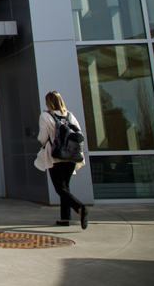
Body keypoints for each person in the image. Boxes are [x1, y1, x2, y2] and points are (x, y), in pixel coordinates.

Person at [34, 91, 87, 229]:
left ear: (48, 102)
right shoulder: (70, 116)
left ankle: (80, 207)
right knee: (66, 187)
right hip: (71, 157)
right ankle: (64, 218)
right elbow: (79, 135)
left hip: (56, 156)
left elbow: (42, 138)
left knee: (60, 188)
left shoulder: (46, 116)